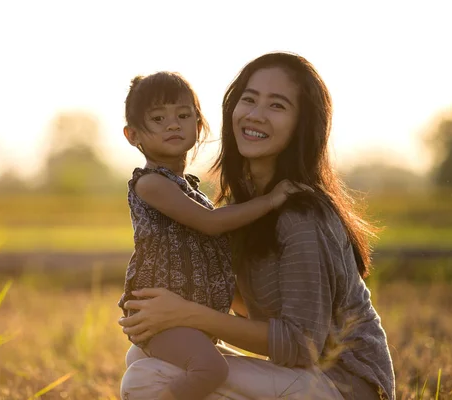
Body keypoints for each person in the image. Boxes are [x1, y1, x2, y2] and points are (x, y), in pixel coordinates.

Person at [119, 53, 396, 400]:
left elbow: (301, 346)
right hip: (301, 378)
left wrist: (189, 313)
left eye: (277, 106)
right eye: (248, 99)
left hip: (347, 386)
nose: (255, 114)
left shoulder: (301, 215)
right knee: (144, 354)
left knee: (147, 378)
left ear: (302, 124)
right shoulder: (242, 208)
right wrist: (168, 305)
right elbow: (250, 309)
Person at [118, 71, 309, 400]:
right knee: (211, 370)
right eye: (158, 119)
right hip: (160, 314)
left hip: (188, 314)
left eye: (182, 115)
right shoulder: (151, 184)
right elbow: (211, 224)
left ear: (199, 124)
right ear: (133, 134)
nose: (173, 125)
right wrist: (270, 200)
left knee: (198, 369)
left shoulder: (190, 189)